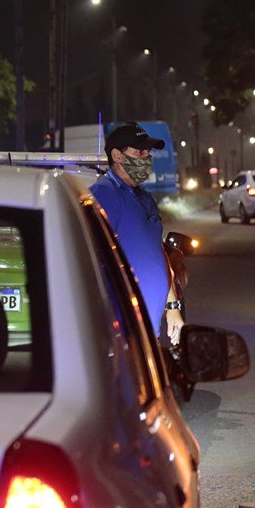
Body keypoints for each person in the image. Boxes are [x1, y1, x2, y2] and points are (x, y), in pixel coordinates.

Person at [89, 122, 184, 345]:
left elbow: (158, 252)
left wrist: (172, 305)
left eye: (148, 153)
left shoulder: (144, 198)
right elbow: (94, 253)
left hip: (148, 324)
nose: (147, 158)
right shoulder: (105, 194)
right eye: (140, 152)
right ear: (117, 156)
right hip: (121, 327)